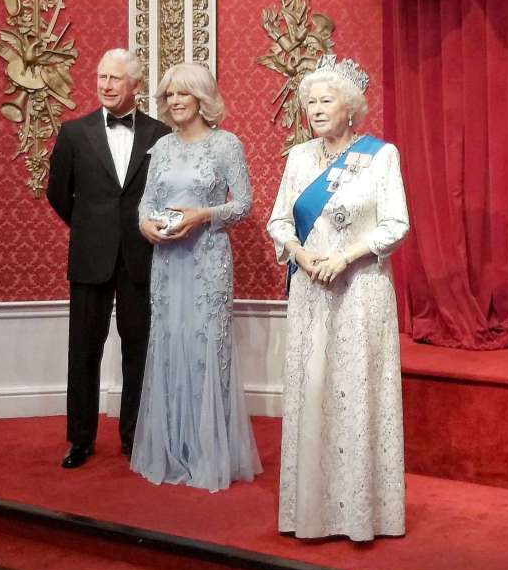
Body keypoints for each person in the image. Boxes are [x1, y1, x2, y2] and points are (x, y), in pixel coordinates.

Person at [266, 54, 410, 541]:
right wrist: (301, 257)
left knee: (357, 392)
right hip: (311, 290)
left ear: (350, 107)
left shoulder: (380, 156)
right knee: (314, 391)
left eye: (326, 101)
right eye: (310, 102)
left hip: (361, 292)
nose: (316, 109)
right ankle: (311, 511)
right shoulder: (299, 158)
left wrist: (344, 256)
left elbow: (396, 224)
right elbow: (280, 221)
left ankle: (362, 515)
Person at [132, 62, 261, 490]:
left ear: (203, 98)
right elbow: (147, 202)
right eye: (169, 95)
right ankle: (173, 449)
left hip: (207, 260)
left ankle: (209, 453)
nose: (174, 101)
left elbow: (242, 204)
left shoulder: (227, 145)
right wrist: (145, 225)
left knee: (207, 346)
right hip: (168, 263)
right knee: (170, 343)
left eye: (183, 94)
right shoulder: (161, 147)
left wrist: (203, 215)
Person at [47, 48, 171, 468]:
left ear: (136, 85)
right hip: (90, 257)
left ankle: (134, 436)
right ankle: (79, 440)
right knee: (83, 350)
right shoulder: (73, 133)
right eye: (101, 77)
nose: (106, 85)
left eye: (116, 78)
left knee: (139, 349)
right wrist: (90, 229)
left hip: (141, 257)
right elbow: (58, 195)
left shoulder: (160, 134)